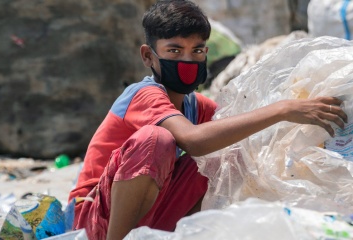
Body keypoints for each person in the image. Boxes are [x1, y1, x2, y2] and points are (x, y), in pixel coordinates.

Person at [68, 1, 348, 239]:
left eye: (197, 51)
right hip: (95, 219)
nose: (187, 61)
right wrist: (282, 108)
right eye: (174, 51)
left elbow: (242, 130)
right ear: (148, 56)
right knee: (156, 139)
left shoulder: (196, 105)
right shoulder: (143, 95)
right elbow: (194, 140)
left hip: (151, 215)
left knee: (234, 151)